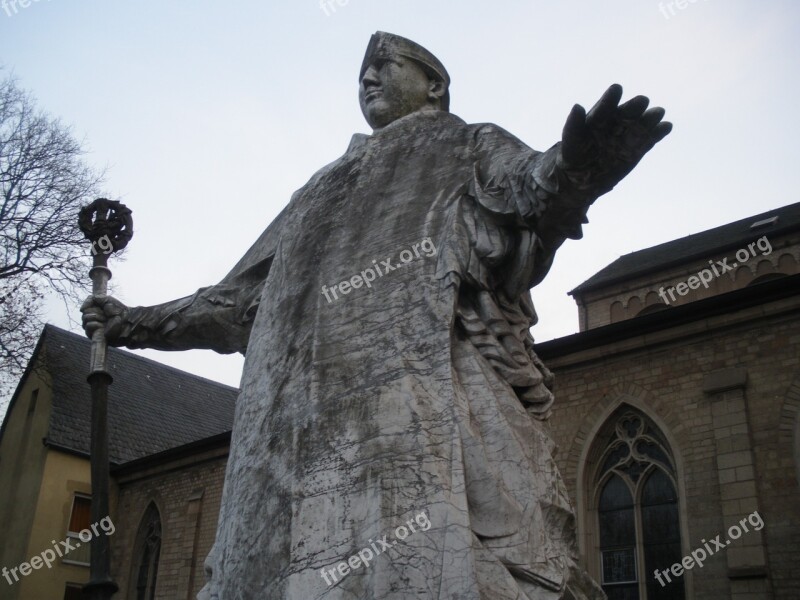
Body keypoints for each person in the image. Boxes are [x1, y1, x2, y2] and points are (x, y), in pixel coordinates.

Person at [83, 31, 670, 599]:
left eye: (384, 63)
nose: (367, 77)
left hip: (408, 409)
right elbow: (235, 301)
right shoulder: (318, 188)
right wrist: (132, 321)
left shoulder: (464, 143)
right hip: (283, 432)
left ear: (434, 84)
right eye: (362, 70)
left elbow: (528, 189)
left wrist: (576, 169)